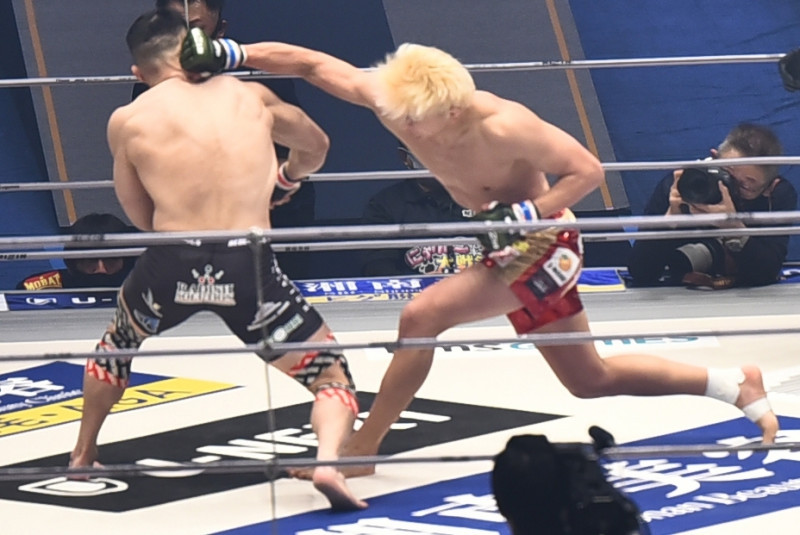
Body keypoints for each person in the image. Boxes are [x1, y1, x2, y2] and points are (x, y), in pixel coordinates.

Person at [180, 36, 779, 477]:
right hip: (508, 245)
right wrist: (231, 52)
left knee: (421, 316)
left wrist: (526, 214)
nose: (409, 130)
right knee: (589, 379)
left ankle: (363, 447)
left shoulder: (505, 124)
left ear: (455, 108)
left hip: (543, 244)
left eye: (421, 121)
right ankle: (731, 383)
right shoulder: (393, 98)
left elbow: (587, 171)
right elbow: (310, 64)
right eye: (400, 116)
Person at [68, 11, 365, 510]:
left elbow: (139, 216)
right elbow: (317, 146)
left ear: (138, 72)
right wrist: (286, 178)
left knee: (117, 343)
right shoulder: (251, 97)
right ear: (195, 49)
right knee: (330, 378)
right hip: (247, 264)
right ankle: (329, 462)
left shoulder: (128, 119)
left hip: (170, 260)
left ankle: (82, 455)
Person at [138, 0, 315, 279]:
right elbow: (146, 168)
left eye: (196, 28)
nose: (185, 39)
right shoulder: (150, 82)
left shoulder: (259, 73)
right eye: (175, 27)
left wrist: (277, 182)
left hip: (264, 209)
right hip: (188, 213)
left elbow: (305, 145)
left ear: (220, 29)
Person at [626, 123, 797, 289]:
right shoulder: (683, 186)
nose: (729, 189)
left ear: (768, 186)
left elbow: (768, 272)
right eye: (727, 174)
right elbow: (641, 272)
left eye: (746, 186)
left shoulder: (776, 196)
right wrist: (670, 220)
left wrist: (734, 227)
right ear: (714, 158)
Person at [361, 145, 481, 276]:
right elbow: (377, 267)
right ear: (405, 157)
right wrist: (422, 283)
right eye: (427, 151)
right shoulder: (385, 204)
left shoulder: (485, 196)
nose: (438, 159)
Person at [17, 213, 136, 290]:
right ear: (74, 261)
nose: (101, 269)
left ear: (126, 260)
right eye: (91, 261)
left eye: (111, 260)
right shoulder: (34, 289)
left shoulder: (144, 288)